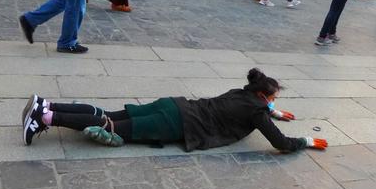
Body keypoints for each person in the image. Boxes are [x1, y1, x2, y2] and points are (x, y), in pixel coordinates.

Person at [21, 68, 328, 153]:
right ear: (264, 95)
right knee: (111, 127)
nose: (272, 103)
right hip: (177, 124)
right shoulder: (257, 112)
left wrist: (273, 111)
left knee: (110, 115)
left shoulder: (242, 92)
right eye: (272, 99)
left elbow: (253, 107)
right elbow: (280, 143)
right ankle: (46, 118)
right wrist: (306, 142)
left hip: (173, 104)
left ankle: (46, 104)